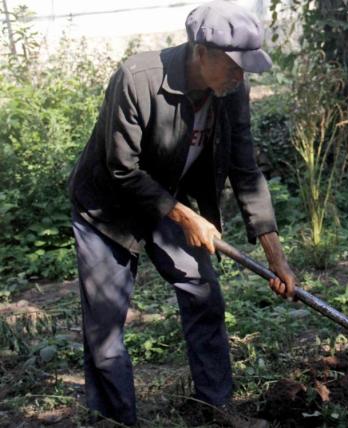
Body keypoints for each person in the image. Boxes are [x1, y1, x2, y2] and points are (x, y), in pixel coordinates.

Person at [68, 1, 295, 426]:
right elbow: (122, 169)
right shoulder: (137, 77)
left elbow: (246, 170)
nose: (240, 77)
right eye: (234, 65)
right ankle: (116, 420)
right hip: (106, 209)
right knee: (105, 327)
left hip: (166, 201)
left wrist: (276, 258)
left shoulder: (229, 91)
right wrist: (188, 217)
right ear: (201, 50)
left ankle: (215, 407)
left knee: (204, 294)